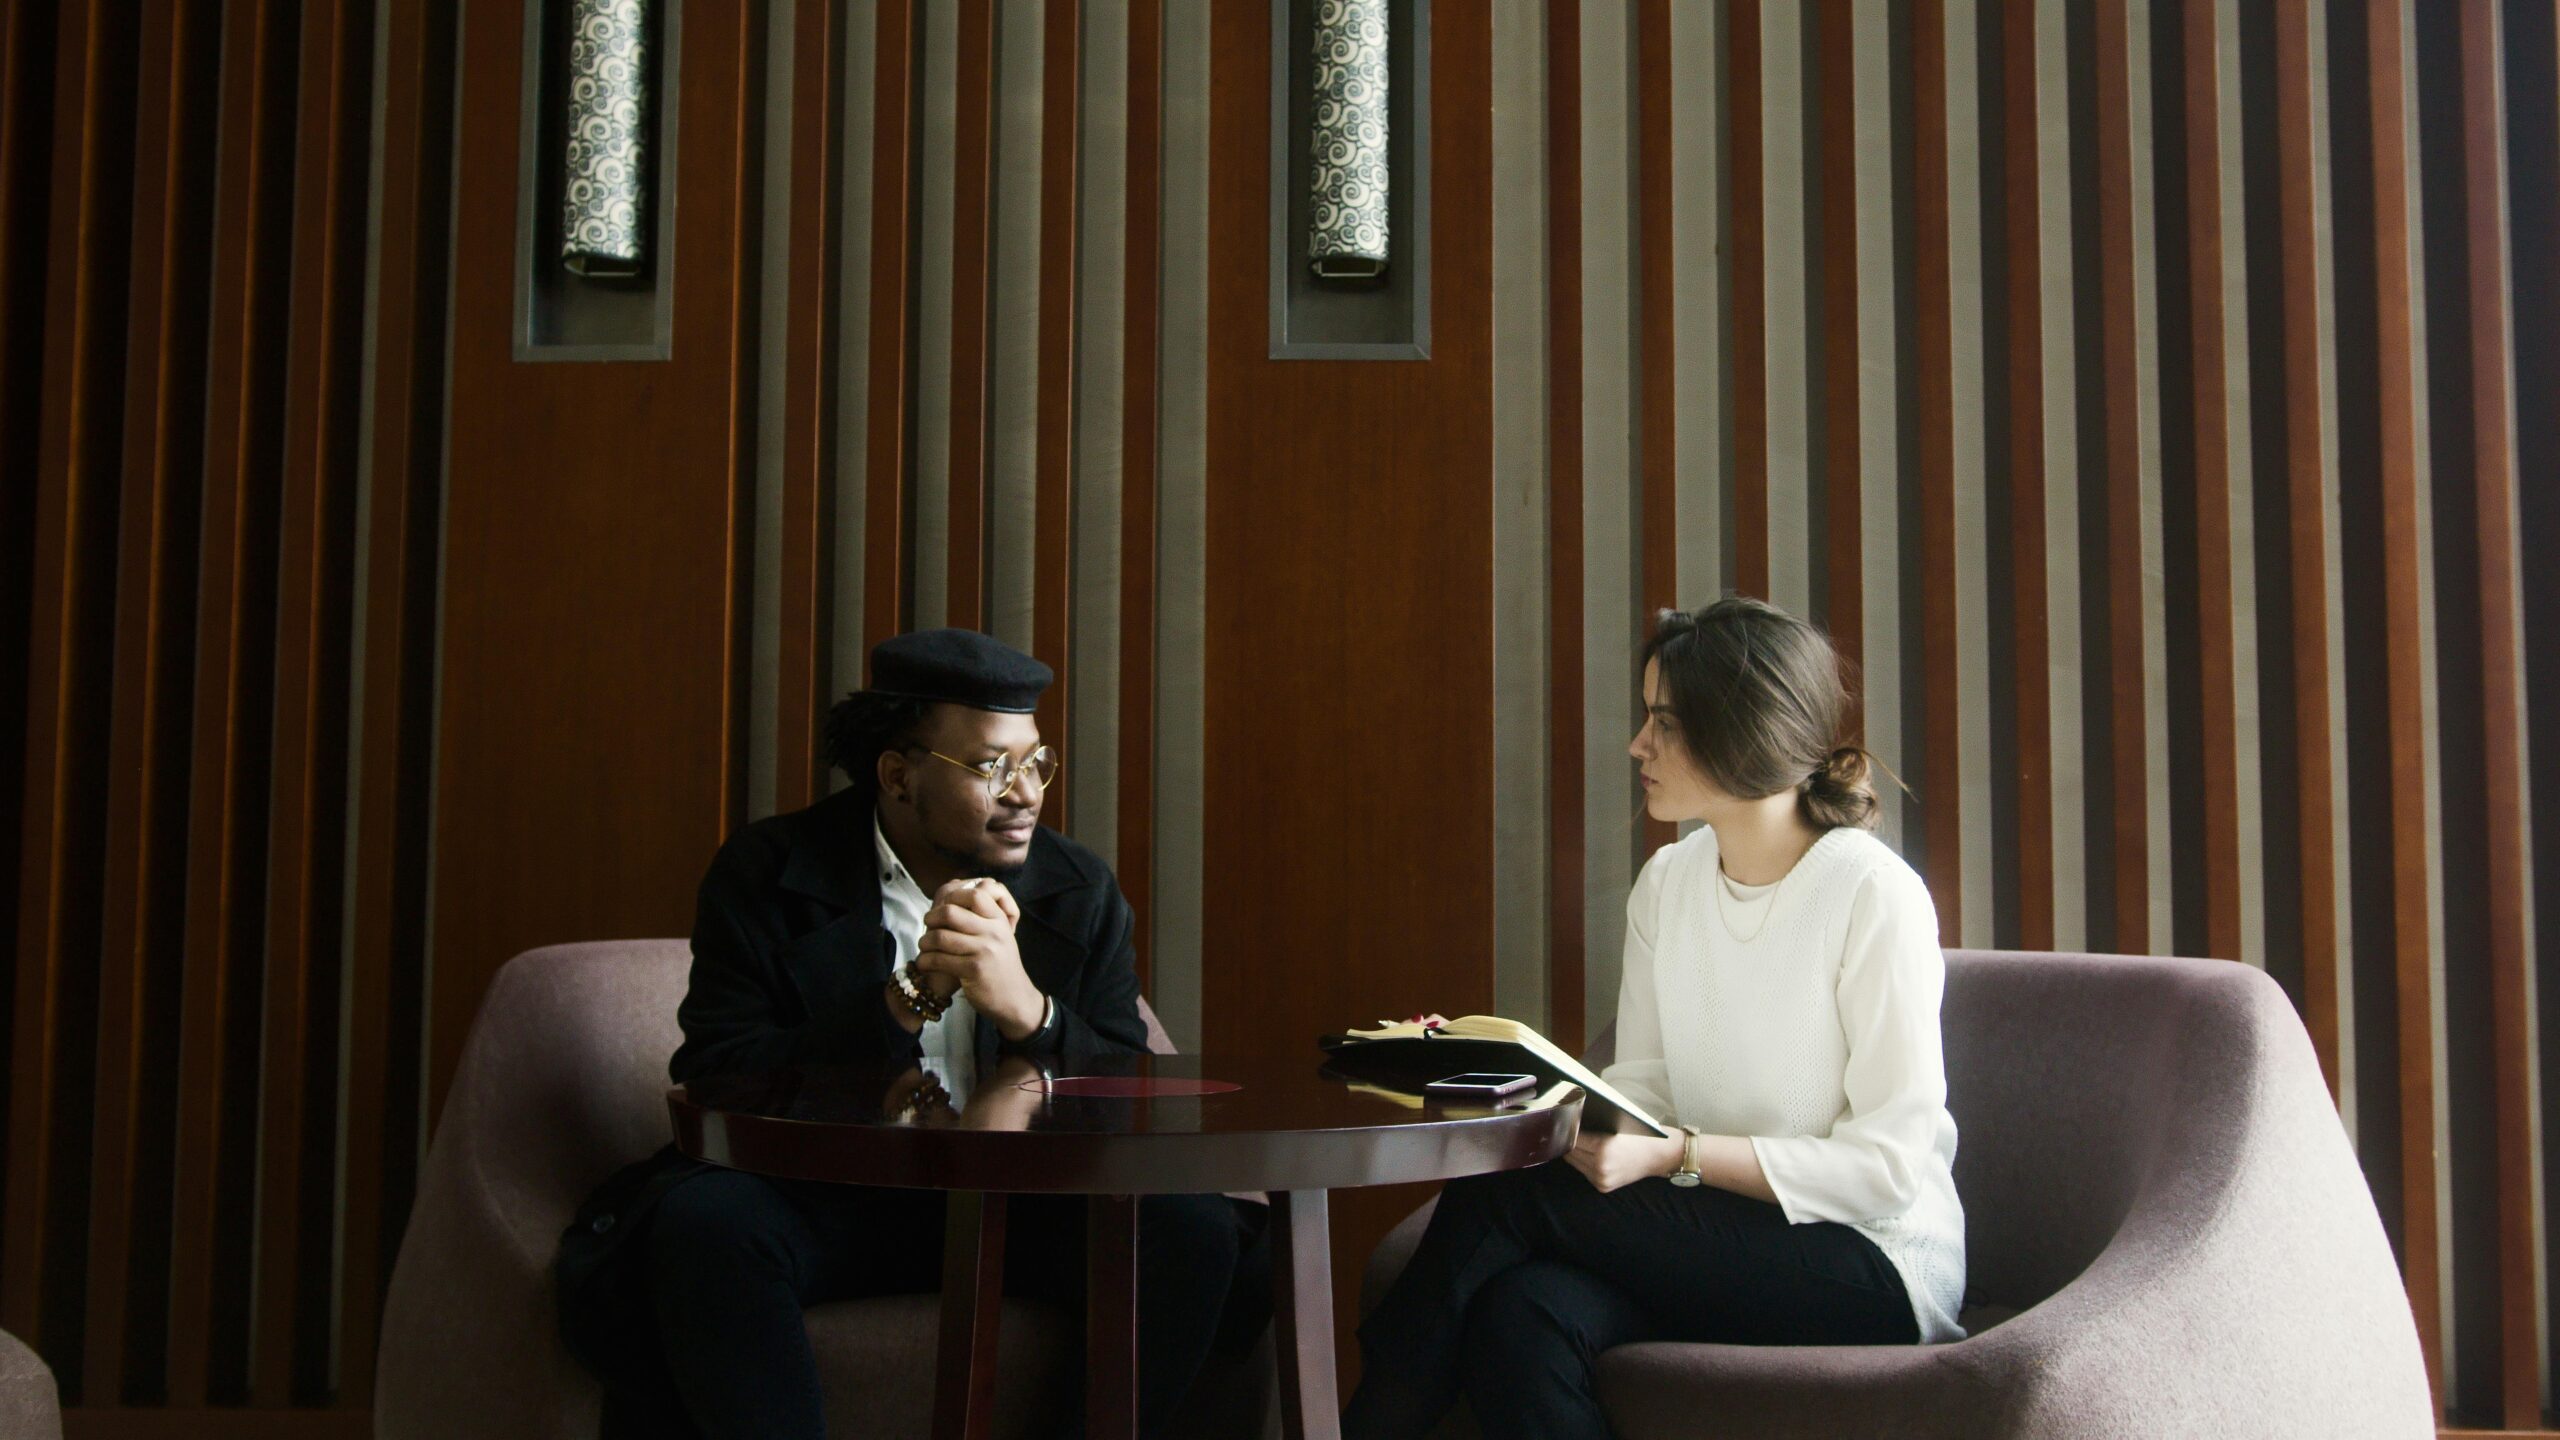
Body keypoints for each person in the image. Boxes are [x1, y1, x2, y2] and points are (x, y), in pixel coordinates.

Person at [557, 628, 1269, 1440]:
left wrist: (1029, 1014)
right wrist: (903, 1000)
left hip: (1024, 1203)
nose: (1026, 792)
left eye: (1036, 761)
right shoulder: (767, 872)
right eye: (992, 766)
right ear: (898, 774)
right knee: (707, 1225)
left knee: (1196, 1231)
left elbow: (1131, 1093)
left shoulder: (1077, 889)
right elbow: (720, 1074)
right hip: (828, 1196)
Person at [1342, 596, 1967, 1440]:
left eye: (1666, 723)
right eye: (1647, 718)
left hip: (1872, 1261)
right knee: (1521, 1314)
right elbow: (1642, 1088)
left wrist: (1675, 1155)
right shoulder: (1669, 885)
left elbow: (1887, 1169)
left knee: (1513, 1199)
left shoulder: (1871, 894)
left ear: (1745, 731)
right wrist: (1514, 1083)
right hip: (1713, 1231)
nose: (1639, 744)